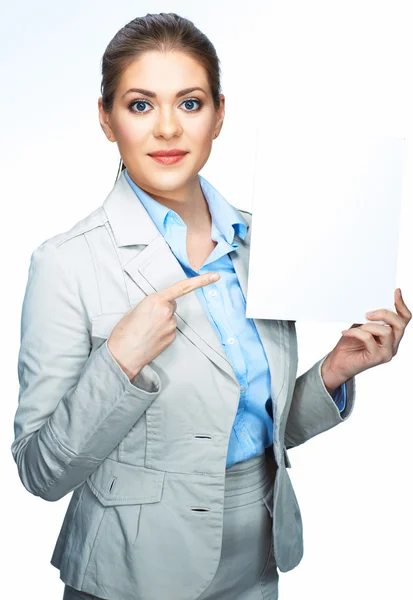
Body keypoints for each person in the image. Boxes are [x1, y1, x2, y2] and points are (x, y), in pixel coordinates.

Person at [11, 12, 411, 600]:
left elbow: (250, 429)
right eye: (141, 105)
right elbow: (41, 472)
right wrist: (118, 363)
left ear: (219, 114)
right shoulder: (66, 264)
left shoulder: (268, 245)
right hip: (131, 572)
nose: (168, 128)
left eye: (190, 103)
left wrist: (334, 373)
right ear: (106, 118)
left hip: (256, 561)